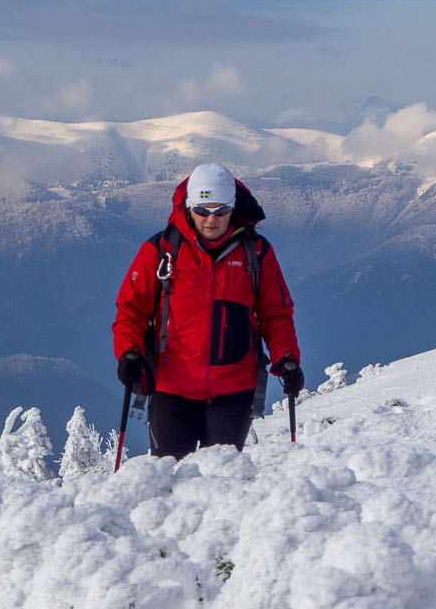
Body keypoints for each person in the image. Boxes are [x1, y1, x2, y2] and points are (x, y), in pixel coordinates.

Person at [112, 161, 305, 459]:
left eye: (220, 211)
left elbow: (275, 313)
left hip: (234, 389)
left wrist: (287, 358)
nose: (211, 220)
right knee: (170, 481)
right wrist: (128, 352)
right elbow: (131, 309)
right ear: (189, 206)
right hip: (171, 388)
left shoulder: (256, 253)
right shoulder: (162, 250)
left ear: (233, 208)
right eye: (202, 211)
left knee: (221, 482)